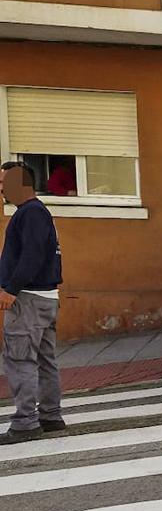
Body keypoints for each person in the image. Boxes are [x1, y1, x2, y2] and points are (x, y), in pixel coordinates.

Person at [0, 162, 65, 445]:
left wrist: (11, 289)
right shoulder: (36, 213)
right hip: (46, 297)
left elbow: (32, 255)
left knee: (20, 358)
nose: (1, 188)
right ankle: (50, 415)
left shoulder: (31, 213)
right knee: (43, 359)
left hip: (28, 298)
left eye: (4, 182)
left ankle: (26, 422)